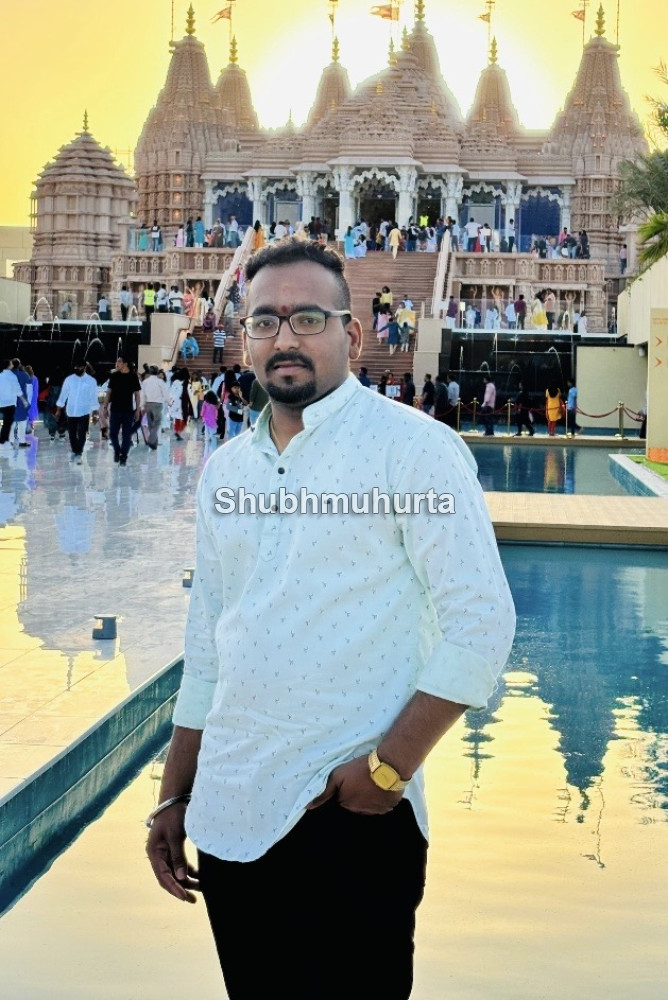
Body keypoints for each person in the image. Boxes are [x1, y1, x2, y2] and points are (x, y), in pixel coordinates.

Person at [145, 237, 515, 1000]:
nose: (285, 338)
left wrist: (385, 773)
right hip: (230, 816)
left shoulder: (414, 452)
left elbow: (480, 623)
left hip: (351, 818)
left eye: (308, 318)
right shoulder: (227, 471)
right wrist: (174, 795)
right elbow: (208, 647)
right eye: (265, 321)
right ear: (244, 337)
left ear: (352, 334)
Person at [55, 360, 99, 463]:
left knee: (82, 433)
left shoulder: (91, 381)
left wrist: (95, 412)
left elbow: (93, 397)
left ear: (84, 367)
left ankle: (79, 451)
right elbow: (63, 395)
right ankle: (75, 449)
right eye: (75, 367)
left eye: (79, 367)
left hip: (84, 411)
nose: (77, 369)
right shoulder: (69, 380)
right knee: (72, 434)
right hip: (71, 411)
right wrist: (58, 410)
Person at [106, 358, 141, 465]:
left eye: (119, 361)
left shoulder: (133, 376)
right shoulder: (114, 376)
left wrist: (138, 409)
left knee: (126, 435)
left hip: (127, 410)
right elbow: (109, 392)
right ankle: (117, 450)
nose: (117, 364)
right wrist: (105, 406)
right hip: (115, 409)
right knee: (112, 434)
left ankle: (123, 456)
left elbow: (137, 394)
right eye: (116, 361)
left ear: (125, 364)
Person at [140, 365, 171, 450]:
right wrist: (169, 402)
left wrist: (142, 406)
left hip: (148, 404)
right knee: (156, 423)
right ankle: (151, 440)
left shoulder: (145, 382)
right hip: (158, 404)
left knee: (150, 424)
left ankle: (154, 443)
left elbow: (142, 395)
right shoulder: (160, 382)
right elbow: (165, 393)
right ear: (157, 372)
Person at [0, 359, 28, 450]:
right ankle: (4, 441)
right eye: (11, 363)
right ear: (9, 365)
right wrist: (24, 400)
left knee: (7, 423)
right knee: (8, 423)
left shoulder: (1, 375)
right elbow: (17, 389)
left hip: (1, 402)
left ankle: (5, 440)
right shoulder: (12, 376)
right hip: (10, 402)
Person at [10, 359, 33, 447]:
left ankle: (12, 440)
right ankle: (22, 441)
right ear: (19, 365)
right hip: (22, 401)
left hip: (10, 401)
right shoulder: (23, 374)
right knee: (22, 422)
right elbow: (29, 385)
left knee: (12, 421)